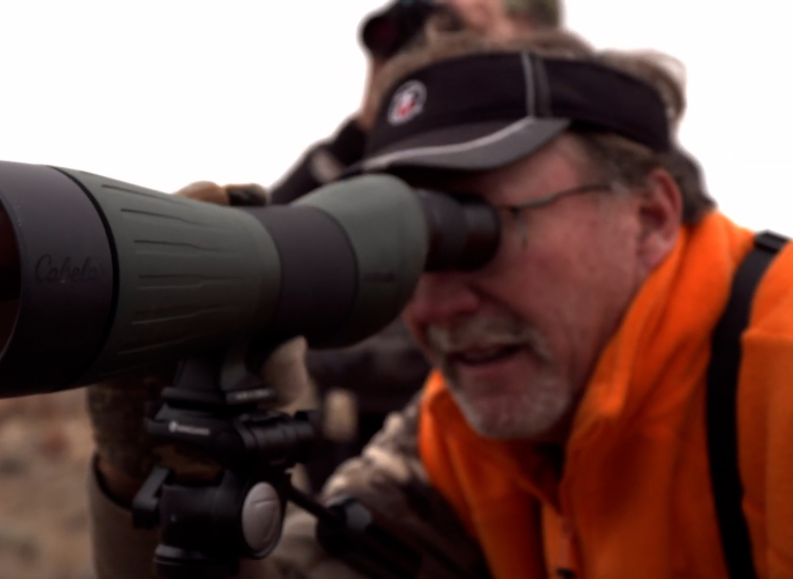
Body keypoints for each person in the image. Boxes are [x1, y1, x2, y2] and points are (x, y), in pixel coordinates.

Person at [87, 26, 793, 579]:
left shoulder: (778, 375)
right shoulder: (464, 437)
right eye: (414, 249)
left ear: (650, 215)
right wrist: (153, 473)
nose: (438, 302)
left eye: (476, 232)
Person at [268, 0, 563, 491]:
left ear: (530, 26)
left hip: (479, 433)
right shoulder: (385, 155)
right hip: (359, 441)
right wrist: (371, 119)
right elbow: (277, 239)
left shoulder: (572, 147)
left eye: (459, 25)